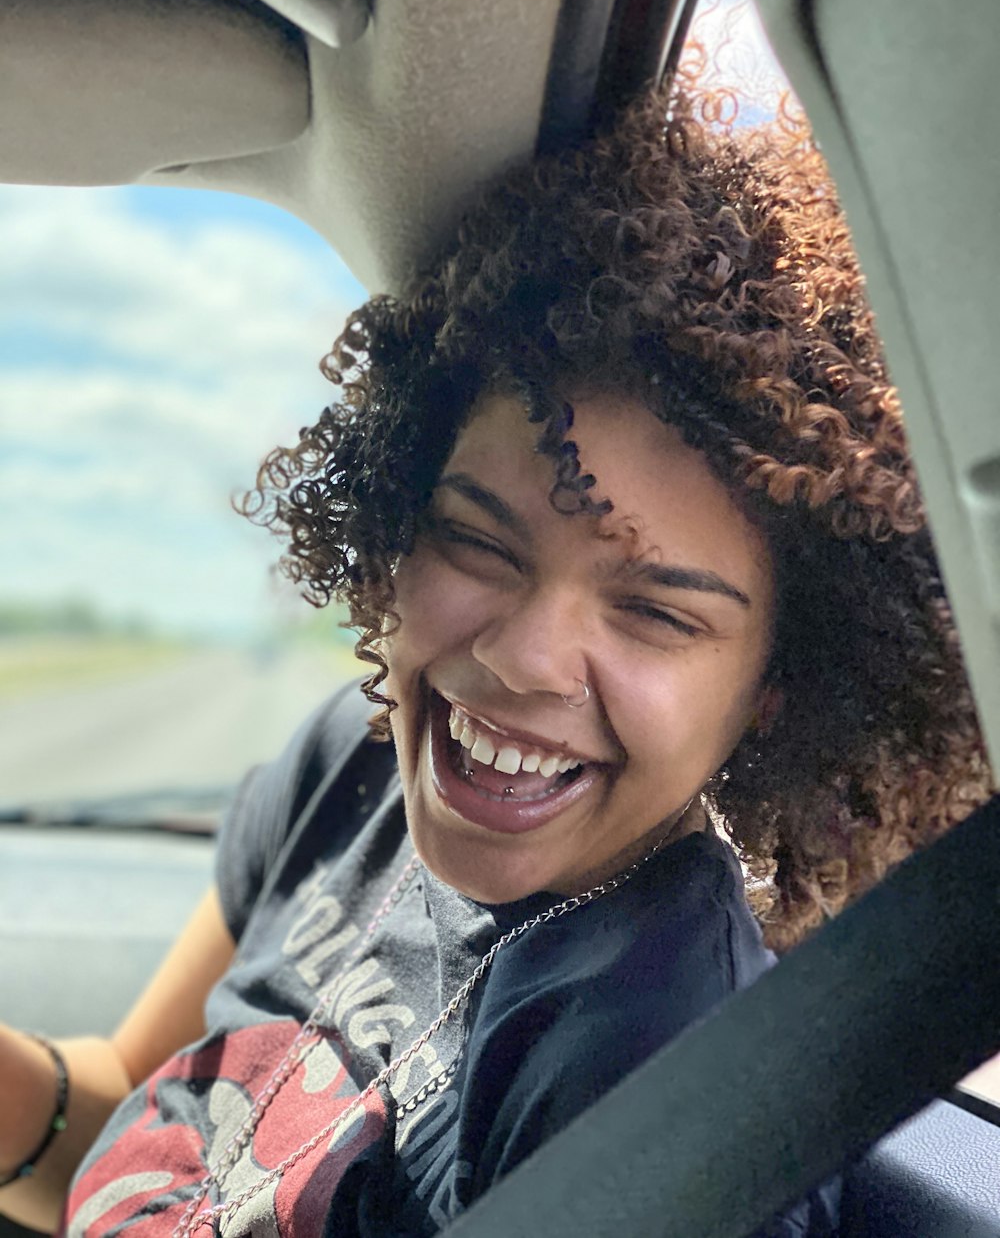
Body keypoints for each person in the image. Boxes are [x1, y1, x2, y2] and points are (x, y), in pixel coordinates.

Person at [0, 82, 991, 1238]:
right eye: (474, 540)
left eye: (659, 613)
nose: (522, 655)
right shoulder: (356, 760)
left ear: (775, 690)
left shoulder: (662, 1065)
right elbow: (136, 1110)